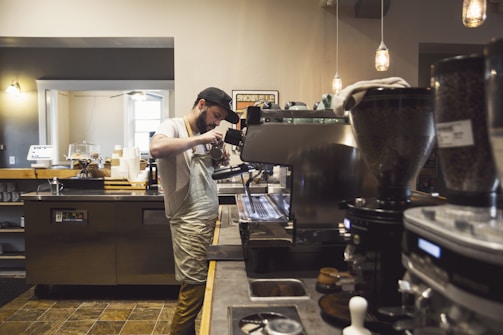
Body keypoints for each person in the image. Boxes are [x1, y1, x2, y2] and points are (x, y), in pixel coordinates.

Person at [150, 87, 239, 335]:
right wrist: (201, 139)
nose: (217, 122)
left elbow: (207, 171)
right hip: (188, 223)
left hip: (207, 220)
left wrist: (219, 156)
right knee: (193, 290)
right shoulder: (174, 127)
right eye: (216, 115)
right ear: (201, 104)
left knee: (199, 289)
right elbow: (156, 149)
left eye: (220, 119)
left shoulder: (205, 134)